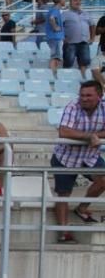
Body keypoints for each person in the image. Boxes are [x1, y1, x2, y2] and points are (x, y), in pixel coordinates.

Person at [52, 81, 105, 243]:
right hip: (65, 157)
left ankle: (82, 208)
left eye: (89, 95)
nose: (84, 99)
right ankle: (64, 232)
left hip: (89, 156)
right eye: (82, 95)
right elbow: (63, 131)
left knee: (103, 179)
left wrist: (97, 135)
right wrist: (89, 136)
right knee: (64, 195)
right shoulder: (72, 106)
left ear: (99, 96)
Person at [62, 0, 93, 74]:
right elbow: (59, 26)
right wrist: (63, 37)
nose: (78, 2)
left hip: (84, 43)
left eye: (79, 0)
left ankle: (83, 81)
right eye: (75, 0)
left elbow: (92, 25)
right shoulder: (65, 14)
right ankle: (66, 81)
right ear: (70, 3)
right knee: (68, 63)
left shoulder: (86, 14)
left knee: (84, 63)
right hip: (70, 43)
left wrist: (92, 38)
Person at [46, 0, 66, 72]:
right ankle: (52, 74)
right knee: (55, 57)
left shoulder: (54, 10)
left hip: (55, 37)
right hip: (55, 37)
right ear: (60, 0)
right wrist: (55, 27)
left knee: (56, 57)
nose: (65, 1)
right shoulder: (55, 10)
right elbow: (51, 18)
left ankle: (54, 74)